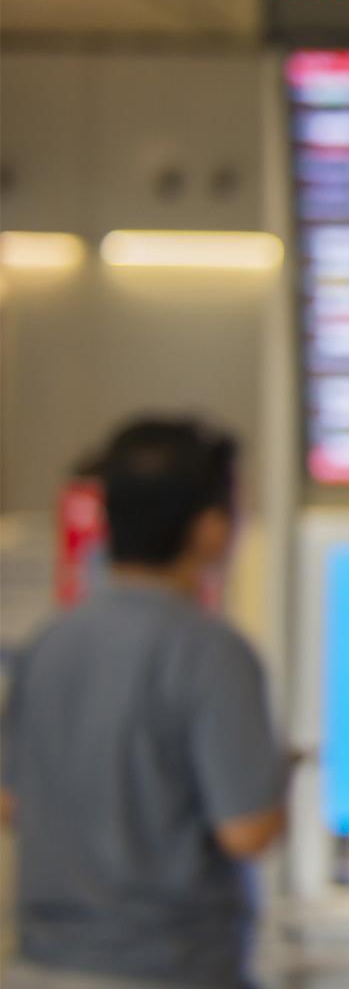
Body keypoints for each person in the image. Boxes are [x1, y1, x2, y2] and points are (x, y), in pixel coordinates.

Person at [1, 418, 287, 989]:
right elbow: (246, 831)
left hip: (42, 963)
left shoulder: (48, 642)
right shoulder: (212, 652)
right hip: (170, 964)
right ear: (209, 529)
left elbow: (11, 803)